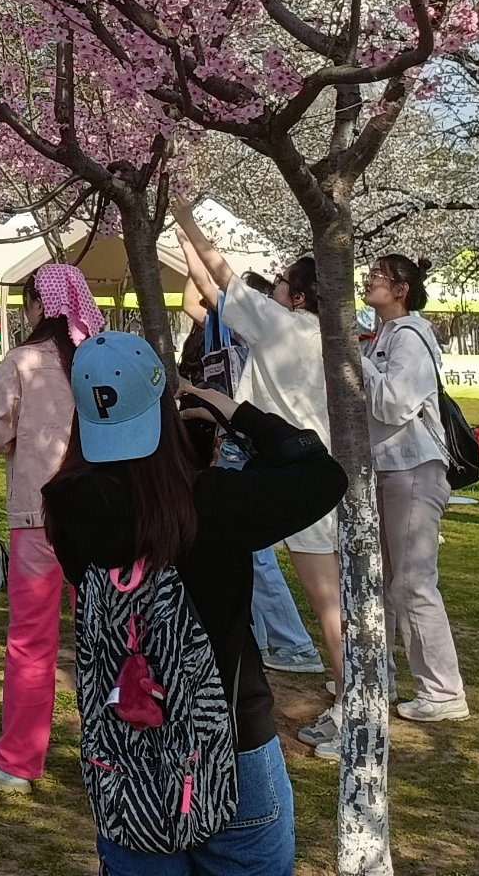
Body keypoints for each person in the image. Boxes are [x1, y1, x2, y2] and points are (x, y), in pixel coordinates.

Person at [43, 334, 347, 876]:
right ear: (164, 408)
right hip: (231, 748)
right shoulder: (213, 503)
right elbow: (322, 474)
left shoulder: (66, 504)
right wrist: (232, 411)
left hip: (125, 755)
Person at [172, 210, 345, 750]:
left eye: (280, 284)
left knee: (330, 603)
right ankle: (349, 687)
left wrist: (183, 221)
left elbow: (215, 277)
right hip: (310, 466)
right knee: (331, 598)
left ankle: (354, 704)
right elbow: (207, 289)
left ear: (297, 297)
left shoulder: (282, 325)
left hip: (286, 467)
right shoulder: (332, 334)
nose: (271, 291)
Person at [0, 262, 97, 792]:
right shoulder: (102, 360)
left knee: (31, 640)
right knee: (106, 638)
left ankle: (19, 761)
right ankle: (110, 757)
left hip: (36, 517)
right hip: (100, 516)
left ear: (40, 306)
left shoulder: (24, 362)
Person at [359, 253, 468, 723]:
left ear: (400, 288)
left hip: (415, 466)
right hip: (390, 467)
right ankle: (377, 675)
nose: (367, 281)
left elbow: (393, 404)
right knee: (384, 581)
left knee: (413, 583)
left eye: (377, 276)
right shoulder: (385, 335)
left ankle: (443, 691)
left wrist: (356, 362)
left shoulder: (410, 337)